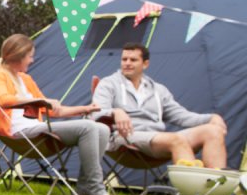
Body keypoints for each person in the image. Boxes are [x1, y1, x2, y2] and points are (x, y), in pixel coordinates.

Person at [0, 34, 122, 195]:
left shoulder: (26, 79)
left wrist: (85, 109)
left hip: (37, 128)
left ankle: (84, 189)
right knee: (88, 128)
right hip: (19, 132)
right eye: (30, 56)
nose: (32, 60)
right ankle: (97, 191)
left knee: (101, 128)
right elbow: (3, 100)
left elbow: (52, 111)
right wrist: (39, 102)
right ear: (19, 55)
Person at [92, 42, 227, 169]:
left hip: (157, 139)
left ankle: (217, 188)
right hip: (125, 139)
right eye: (124, 59)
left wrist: (211, 118)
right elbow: (96, 112)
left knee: (213, 131)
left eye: (133, 60)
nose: (127, 63)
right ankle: (195, 192)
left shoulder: (158, 90)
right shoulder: (108, 83)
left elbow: (181, 116)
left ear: (145, 64)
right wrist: (115, 112)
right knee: (177, 139)